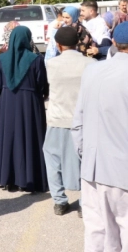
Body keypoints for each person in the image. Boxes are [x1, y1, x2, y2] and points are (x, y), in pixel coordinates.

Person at [73, 22, 128, 250]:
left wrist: (86, 155)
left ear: (114, 43)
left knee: (96, 231)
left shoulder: (92, 70)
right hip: (122, 170)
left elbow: (78, 122)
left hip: (92, 168)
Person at [0, 26, 49, 192]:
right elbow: (41, 84)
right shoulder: (35, 59)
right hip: (29, 102)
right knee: (29, 136)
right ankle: (30, 178)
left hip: (7, 101)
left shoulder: (1, 59)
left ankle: (8, 178)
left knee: (9, 136)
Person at [43, 27, 92, 216]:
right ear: (78, 42)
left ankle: (59, 201)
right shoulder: (90, 64)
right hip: (83, 121)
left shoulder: (51, 64)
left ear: (58, 44)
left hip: (57, 118)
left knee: (53, 160)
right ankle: (84, 202)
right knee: (85, 162)